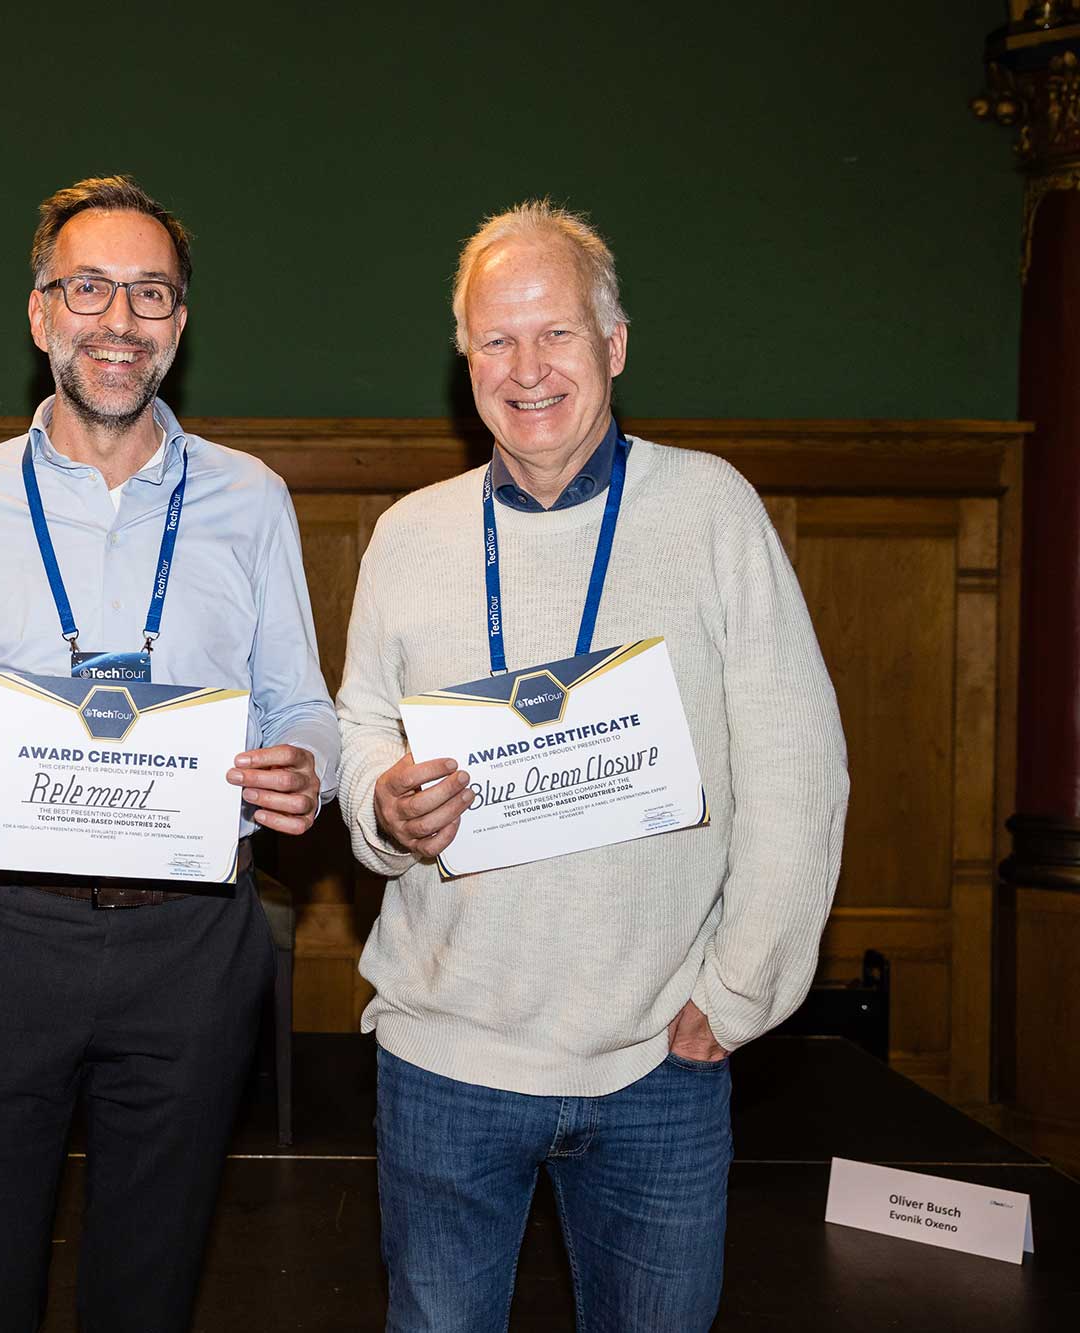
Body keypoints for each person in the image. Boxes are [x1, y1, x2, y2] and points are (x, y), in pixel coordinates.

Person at [335, 201, 849, 1331]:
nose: (526, 369)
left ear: (613, 344)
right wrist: (380, 800)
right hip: (444, 1055)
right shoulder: (410, 532)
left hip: (656, 1058)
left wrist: (740, 990)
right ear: (465, 362)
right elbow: (361, 722)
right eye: (496, 340)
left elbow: (797, 764)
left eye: (555, 333)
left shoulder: (710, 510)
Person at [0, 175, 340, 1331]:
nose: (118, 320)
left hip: (193, 940)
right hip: (1, 936)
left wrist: (306, 765)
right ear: (40, 312)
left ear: (179, 323)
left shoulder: (251, 499)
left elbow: (304, 706)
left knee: (150, 1284)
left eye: (149, 293)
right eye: (88, 288)